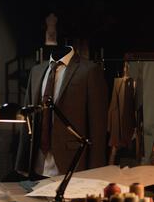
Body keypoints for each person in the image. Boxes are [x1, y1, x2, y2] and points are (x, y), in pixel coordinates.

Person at [15, 45, 108, 180]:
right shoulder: (37, 71)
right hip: (38, 163)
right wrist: (22, 162)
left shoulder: (89, 70)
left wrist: (96, 172)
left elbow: (97, 126)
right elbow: (27, 118)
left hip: (72, 164)